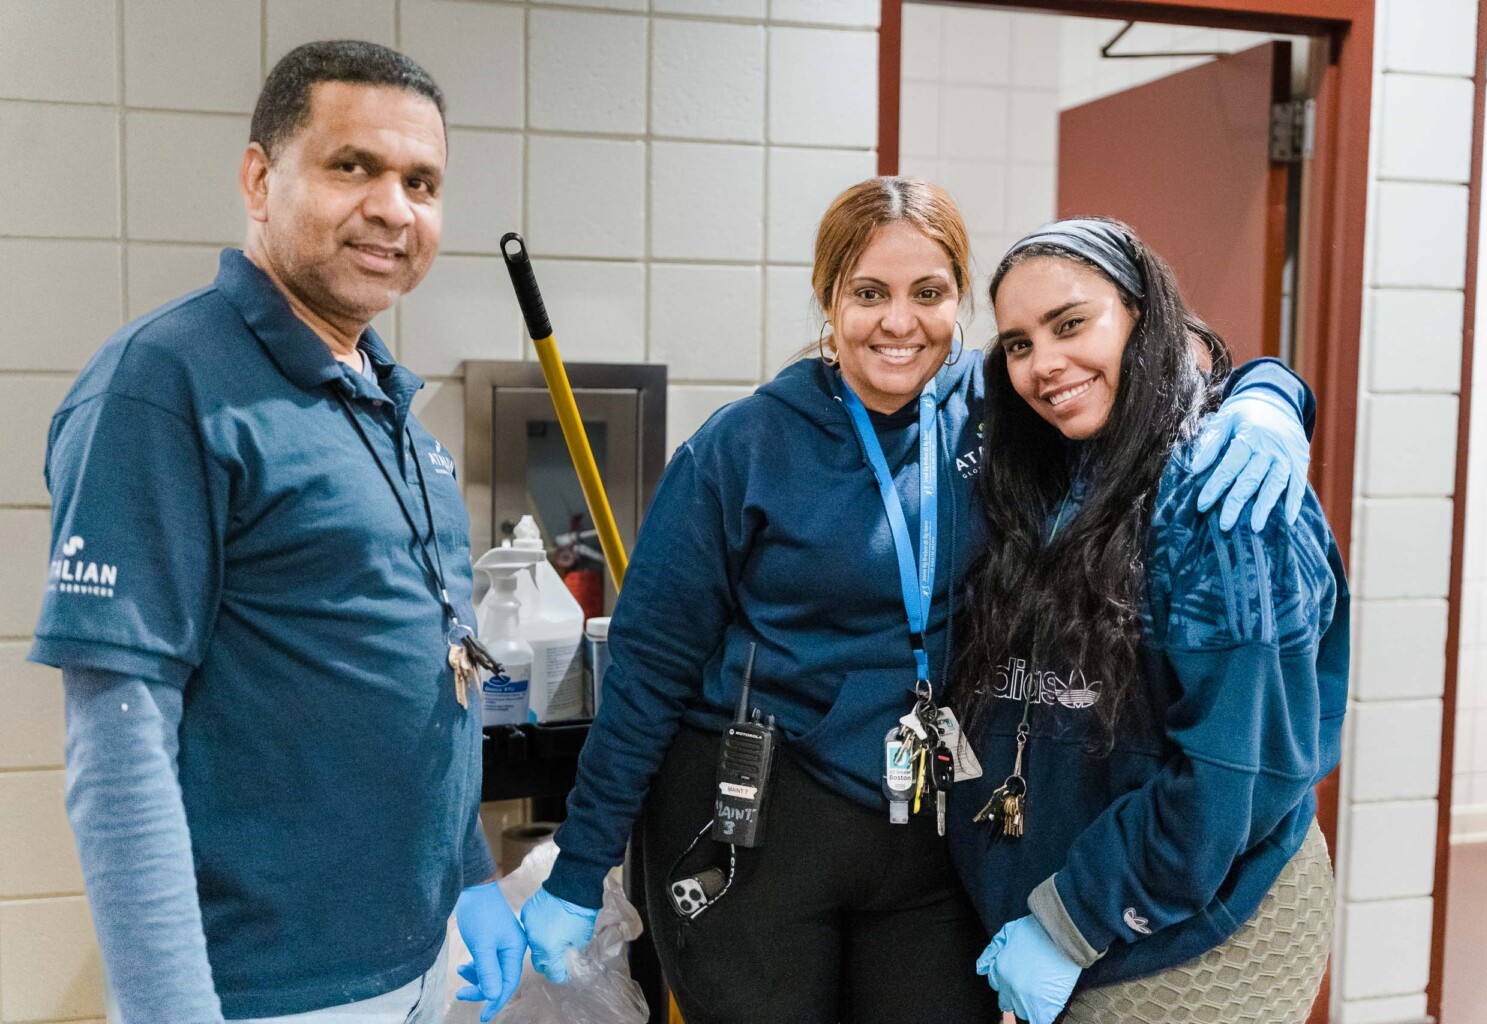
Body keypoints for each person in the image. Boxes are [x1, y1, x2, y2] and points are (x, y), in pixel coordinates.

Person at [514, 179, 1315, 1023]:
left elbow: (1144, 360)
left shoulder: (1002, 405)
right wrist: (577, 869)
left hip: (933, 826)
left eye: (928, 294)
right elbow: (647, 675)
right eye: (869, 293)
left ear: (959, 301)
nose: (900, 324)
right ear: (829, 299)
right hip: (755, 826)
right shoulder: (742, 449)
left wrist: (1268, 396)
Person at [32, 41, 524, 1024]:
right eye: (355, 167)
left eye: (421, 181)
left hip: (422, 961)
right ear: (260, 179)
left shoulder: (386, 409)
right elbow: (119, 739)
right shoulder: (162, 387)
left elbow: (428, 681)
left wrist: (472, 881)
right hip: (272, 990)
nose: (394, 207)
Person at [947, 218, 1347, 1024]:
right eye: (1019, 345)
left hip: (1191, 943)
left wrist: (1075, 923)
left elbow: (1231, 778)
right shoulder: (1054, 470)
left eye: (1071, 324)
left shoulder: (1225, 503)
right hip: (1062, 930)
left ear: (1144, 317)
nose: (1044, 365)